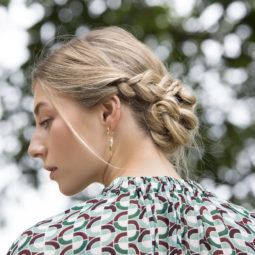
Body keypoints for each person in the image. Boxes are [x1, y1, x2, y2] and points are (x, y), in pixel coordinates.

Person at [7, 26, 255, 254]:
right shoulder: (245, 232)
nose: (34, 148)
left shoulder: (48, 245)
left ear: (107, 112)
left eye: (46, 121)